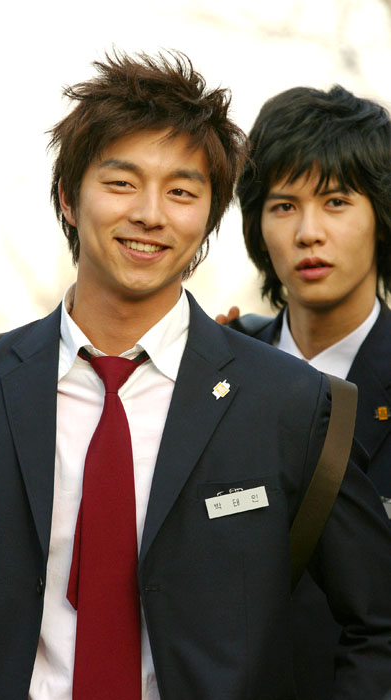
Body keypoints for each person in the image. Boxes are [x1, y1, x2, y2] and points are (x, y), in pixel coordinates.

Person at [0, 56, 391, 700]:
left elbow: (376, 623)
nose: (151, 214)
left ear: (210, 216)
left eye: (182, 192)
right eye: (122, 183)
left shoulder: (291, 403)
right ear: (68, 197)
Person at [217, 84, 391, 699]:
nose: (309, 232)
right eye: (284, 205)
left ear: (380, 216)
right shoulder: (218, 373)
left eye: (336, 201)